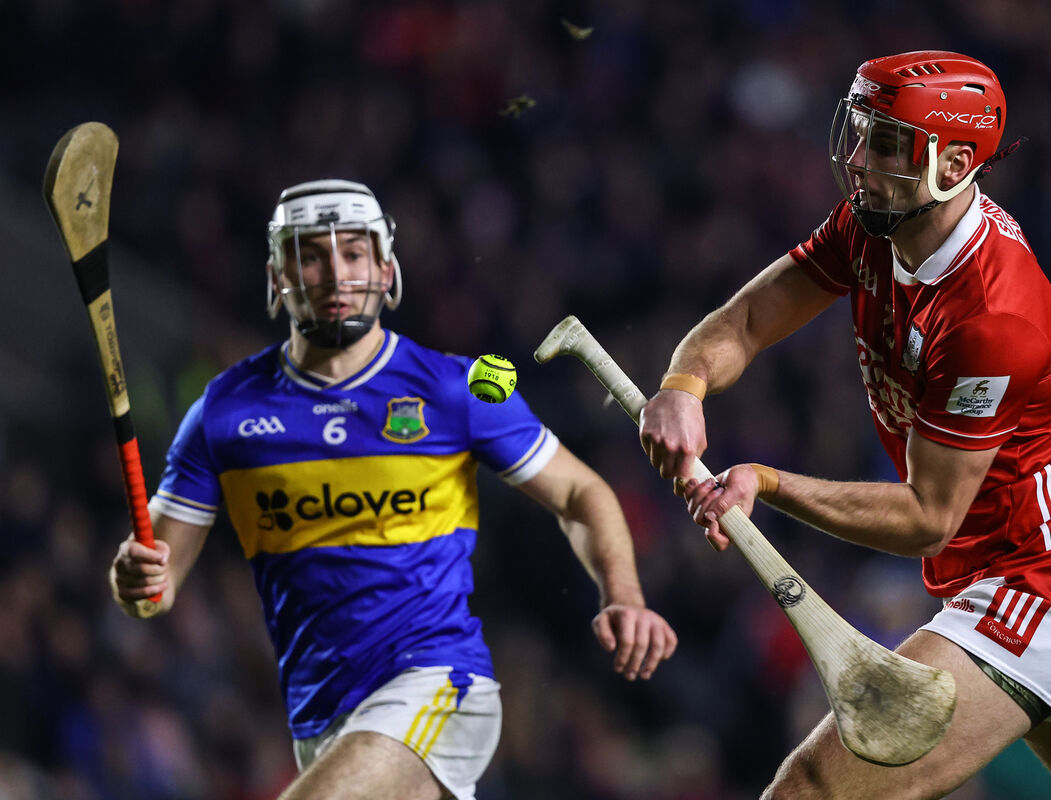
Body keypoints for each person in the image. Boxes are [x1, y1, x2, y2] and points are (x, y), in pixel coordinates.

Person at [639, 50, 1051, 799]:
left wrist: (765, 481)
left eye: (890, 145)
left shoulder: (993, 314)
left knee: (812, 788)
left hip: (1035, 590)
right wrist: (684, 383)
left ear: (955, 162)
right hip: (1032, 582)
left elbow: (927, 517)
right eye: (863, 132)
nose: (860, 160)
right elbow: (743, 321)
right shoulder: (872, 227)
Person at [110, 179, 678, 800]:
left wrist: (622, 591)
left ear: (386, 269)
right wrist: (134, 581)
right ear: (277, 277)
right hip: (320, 717)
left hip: (438, 685)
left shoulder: (455, 388)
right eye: (311, 254)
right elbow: (154, 590)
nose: (335, 273)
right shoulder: (225, 411)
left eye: (353, 253)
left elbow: (581, 493)